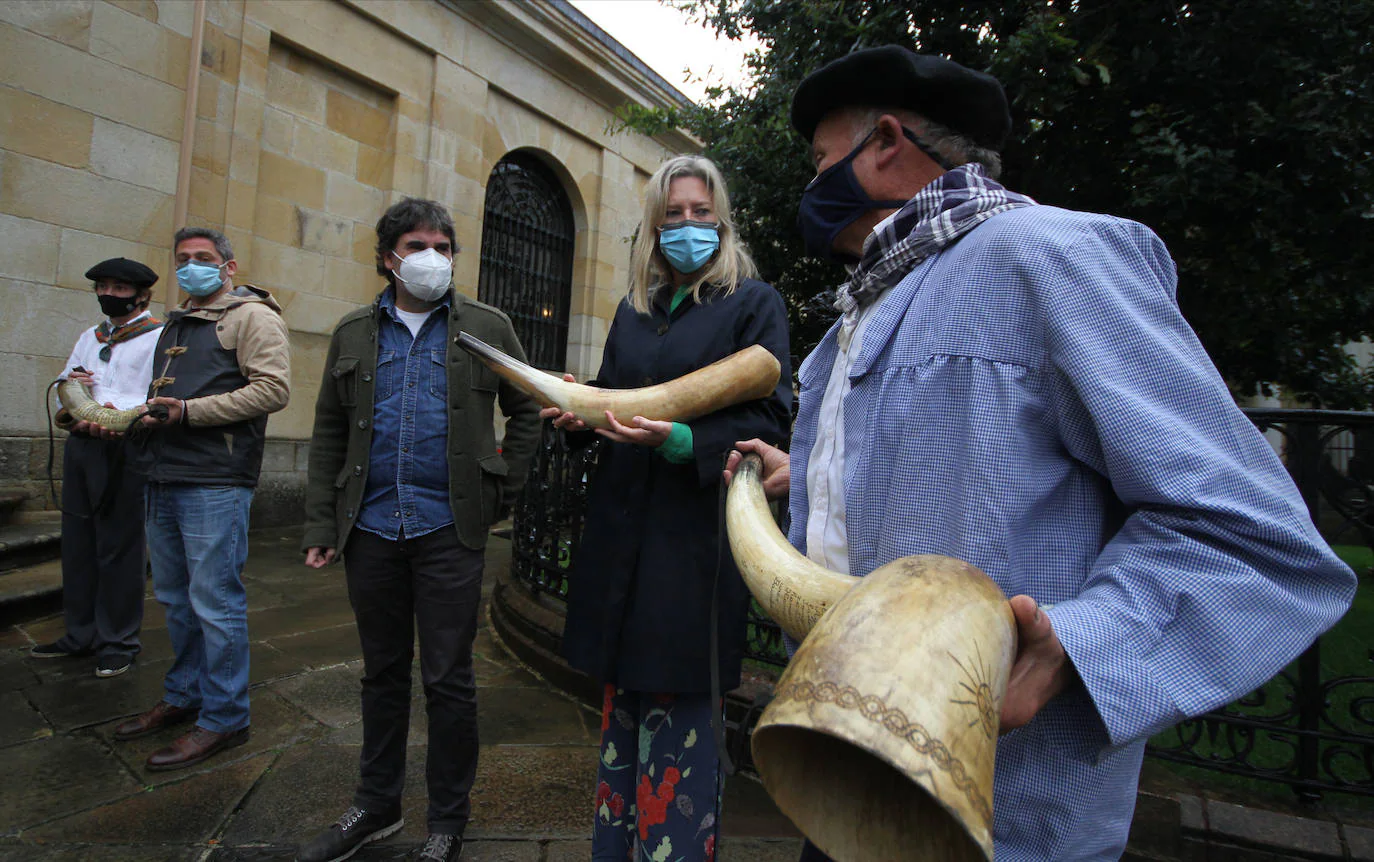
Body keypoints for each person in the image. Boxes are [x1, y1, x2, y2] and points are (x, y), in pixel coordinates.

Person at [725, 46, 1358, 861]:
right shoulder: (853, 325)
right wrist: (804, 478)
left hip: (1002, 829)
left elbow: (1254, 542)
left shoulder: (1051, 258)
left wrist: (1081, 644)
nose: (814, 187)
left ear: (884, 146)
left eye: (820, 162)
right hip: (847, 791)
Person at [547, 155, 793, 862]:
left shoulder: (753, 304)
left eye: (699, 211)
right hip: (621, 540)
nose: (687, 225)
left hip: (690, 552)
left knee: (680, 723)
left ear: (722, 219)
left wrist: (687, 441)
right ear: (654, 227)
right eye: (672, 214)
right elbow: (610, 395)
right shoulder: (635, 309)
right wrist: (575, 416)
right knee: (622, 719)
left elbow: (772, 420)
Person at [296, 197, 541, 862]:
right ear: (387, 257)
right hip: (371, 528)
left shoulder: (485, 326)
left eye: (443, 245)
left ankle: (447, 820)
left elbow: (530, 409)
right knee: (381, 673)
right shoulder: (353, 332)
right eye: (415, 245)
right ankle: (375, 806)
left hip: (448, 528)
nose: (431, 257)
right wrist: (322, 520)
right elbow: (328, 431)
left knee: (448, 679)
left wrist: (499, 491)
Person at [110, 227, 291, 771]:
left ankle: (226, 717)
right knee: (174, 596)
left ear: (228, 267)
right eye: (183, 259)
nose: (192, 266)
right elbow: (160, 396)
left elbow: (273, 389)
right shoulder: (177, 321)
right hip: (162, 472)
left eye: (204, 259)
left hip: (215, 477)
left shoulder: (252, 317)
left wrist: (189, 412)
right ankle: (185, 694)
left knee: (215, 602)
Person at [32, 258, 163, 678]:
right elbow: (65, 382)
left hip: (126, 448)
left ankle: (118, 640)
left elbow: (154, 393)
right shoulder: (91, 336)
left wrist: (111, 410)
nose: (109, 294)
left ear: (142, 294)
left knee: (119, 545)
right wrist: (75, 399)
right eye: (103, 287)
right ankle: (80, 633)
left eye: (119, 289)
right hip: (83, 446)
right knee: (78, 540)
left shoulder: (160, 337)